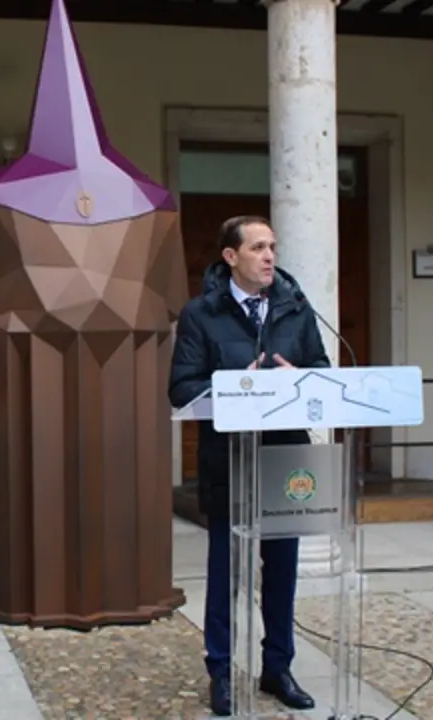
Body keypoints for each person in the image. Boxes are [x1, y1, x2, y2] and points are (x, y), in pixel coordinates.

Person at [168, 215, 330, 716]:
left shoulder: (296, 309)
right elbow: (181, 387)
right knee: (227, 572)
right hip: (229, 458)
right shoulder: (201, 315)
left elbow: (323, 372)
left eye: (273, 247)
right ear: (230, 257)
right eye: (258, 247)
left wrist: (301, 377)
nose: (269, 256)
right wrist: (240, 382)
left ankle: (277, 667)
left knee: (281, 571)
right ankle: (221, 670)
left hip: (286, 458)